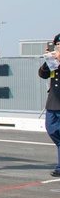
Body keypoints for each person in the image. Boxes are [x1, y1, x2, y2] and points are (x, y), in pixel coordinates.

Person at [38, 34, 60, 178]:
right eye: (57, 45)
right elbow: (43, 74)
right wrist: (49, 59)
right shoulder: (54, 61)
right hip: (53, 102)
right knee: (52, 130)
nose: (58, 47)